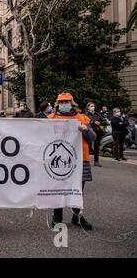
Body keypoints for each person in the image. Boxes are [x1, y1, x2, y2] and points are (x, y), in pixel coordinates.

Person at [48, 93, 96, 230]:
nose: (64, 104)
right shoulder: (50, 119)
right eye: (62, 102)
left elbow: (92, 138)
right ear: (58, 104)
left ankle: (78, 217)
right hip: (57, 161)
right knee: (58, 189)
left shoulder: (83, 119)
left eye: (67, 102)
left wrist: (86, 130)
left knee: (78, 190)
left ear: (72, 102)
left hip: (81, 161)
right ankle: (57, 217)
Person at [85, 102, 106, 167]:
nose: (93, 107)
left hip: (97, 132)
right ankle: (86, 161)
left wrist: (99, 123)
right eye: (91, 106)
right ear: (88, 107)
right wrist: (93, 123)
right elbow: (85, 122)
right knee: (87, 147)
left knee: (97, 147)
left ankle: (96, 161)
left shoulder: (97, 114)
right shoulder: (85, 114)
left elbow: (104, 121)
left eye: (93, 106)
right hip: (89, 133)